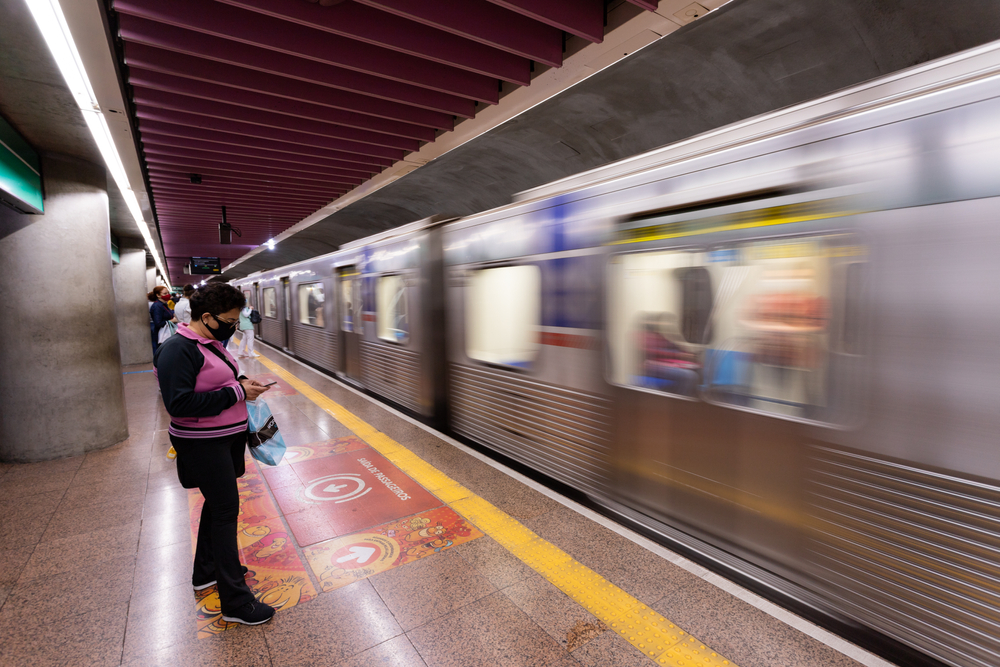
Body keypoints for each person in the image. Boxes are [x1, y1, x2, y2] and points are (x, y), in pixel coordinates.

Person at [154, 283, 274, 625]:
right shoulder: (178, 349)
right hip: (203, 445)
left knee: (217, 507)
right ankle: (236, 602)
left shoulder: (207, 342)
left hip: (223, 441)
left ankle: (205, 572)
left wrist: (243, 384)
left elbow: (221, 382)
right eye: (230, 320)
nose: (234, 326)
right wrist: (237, 391)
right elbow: (179, 404)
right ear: (206, 317)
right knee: (224, 513)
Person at [149, 286, 176, 354]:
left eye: (168, 293)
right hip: (161, 334)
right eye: (165, 293)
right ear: (158, 295)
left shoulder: (163, 304)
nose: (167, 295)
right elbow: (158, 323)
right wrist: (172, 321)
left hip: (166, 332)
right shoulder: (157, 306)